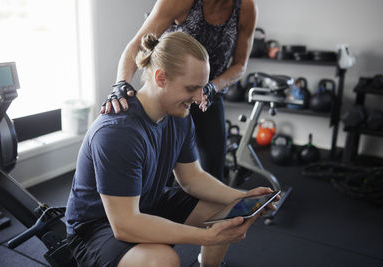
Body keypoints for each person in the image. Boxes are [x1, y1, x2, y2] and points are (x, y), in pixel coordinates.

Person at [67, 32, 276, 267]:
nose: (199, 97)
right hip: (98, 227)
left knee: (229, 212)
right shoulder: (118, 132)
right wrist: (207, 237)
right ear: (161, 78)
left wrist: (242, 197)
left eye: (202, 87)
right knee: (162, 260)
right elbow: (125, 224)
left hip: (146, 201)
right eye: (191, 88)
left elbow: (192, 178)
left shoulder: (179, 116)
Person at [101, 0, 257, 183]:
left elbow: (240, 65)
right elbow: (137, 45)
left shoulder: (246, 7)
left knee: (214, 171)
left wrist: (211, 87)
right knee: (161, 175)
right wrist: (121, 84)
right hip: (170, 98)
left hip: (208, 97)